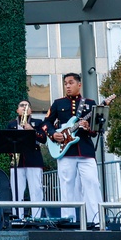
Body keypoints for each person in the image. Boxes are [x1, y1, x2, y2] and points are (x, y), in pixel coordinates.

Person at [43, 73, 108, 227]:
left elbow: (97, 130)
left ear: (79, 84)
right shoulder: (58, 103)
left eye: (71, 83)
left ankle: (97, 221)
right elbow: (46, 123)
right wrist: (53, 134)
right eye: (65, 83)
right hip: (65, 151)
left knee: (92, 183)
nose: (67, 86)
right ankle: (68, 220)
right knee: (67, 185)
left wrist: (88, 128)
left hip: (85, 150)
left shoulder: (91, 103)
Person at [6, 100, 46, 219]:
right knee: (17, 191)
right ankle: (17, 218)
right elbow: (6, 142)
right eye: (21, 106)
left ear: (31, 110)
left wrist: (31, 130)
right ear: (17, 110)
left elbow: (43, 138)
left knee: (36, 191)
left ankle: (37, 218)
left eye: (27, 106)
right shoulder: (11, 124)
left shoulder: (38, 122)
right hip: (17, 161)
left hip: (33, 159)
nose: (24, 107)